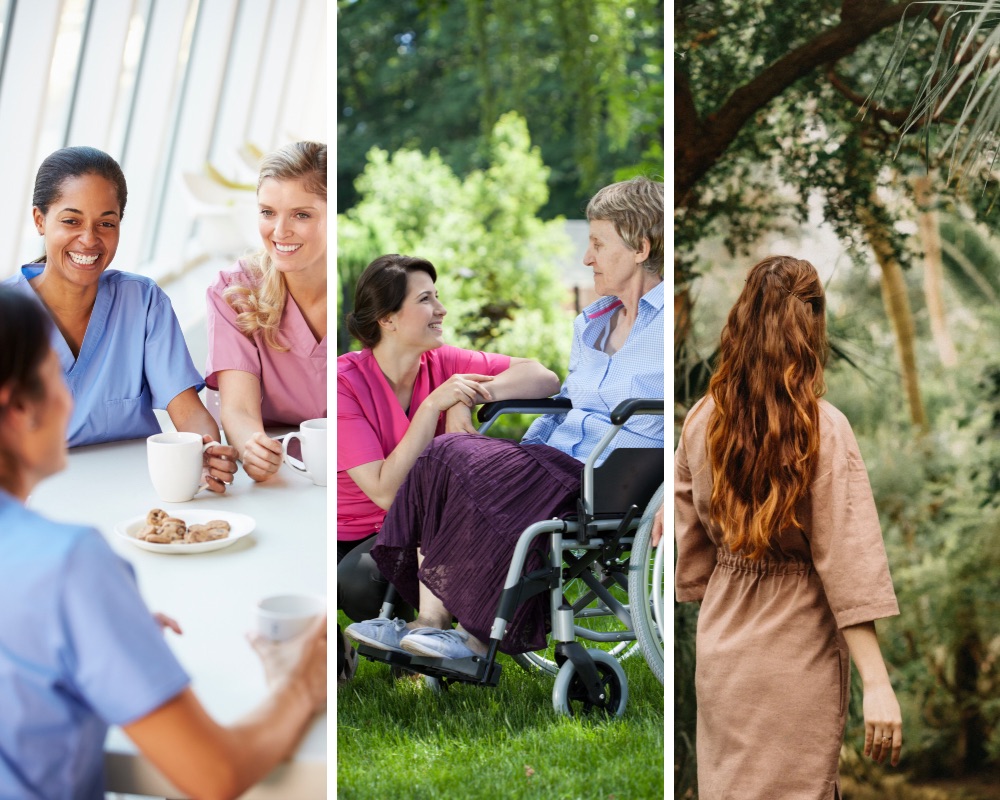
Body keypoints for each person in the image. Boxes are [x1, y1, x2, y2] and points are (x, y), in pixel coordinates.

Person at [0, 287, 326, 800]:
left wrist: (81, 628)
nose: (70, 397)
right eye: (53, 378)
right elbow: (213, 775)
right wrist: (303, 685)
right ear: (17, 408)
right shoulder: (67, 566)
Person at [345, 177, 664, 660]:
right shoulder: (592, 321)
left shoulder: (670, 324)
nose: (587, 258)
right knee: (450, 456)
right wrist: (466, 398)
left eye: (598, 244)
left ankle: (461, 632)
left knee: (449, 451)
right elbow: (564, 397)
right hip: (554, 459)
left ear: (640, 248)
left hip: (613, 473)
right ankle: (430, 625)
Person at [674, 255, 902, 799]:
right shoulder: (824, 428)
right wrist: (877, 683)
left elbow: (692, 553)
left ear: (743, 320)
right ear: (811, 324)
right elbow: (848, 562)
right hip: (797, 652)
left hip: (723, 650)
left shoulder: (702, 419)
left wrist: (733, 585)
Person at [336, 253, 562, 671]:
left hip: (420, 530)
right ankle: (345, 643)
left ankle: (419, 633)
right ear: (387, 319)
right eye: (426, 300)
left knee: (365, 576)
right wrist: (435, 405)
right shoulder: (343, 383)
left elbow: (544, 377)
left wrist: (475, 396)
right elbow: (386, 492)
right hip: (347, 531)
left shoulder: (445, 364)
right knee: (357, 580)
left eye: (437, 297)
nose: (441, 310)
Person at [1, 146, 236, 492]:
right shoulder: (8, 314)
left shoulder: (143, 301)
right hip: (38, 493)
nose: (90, 239)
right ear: (40, 220)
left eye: (106, 223)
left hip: (138, 491)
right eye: (71, 221)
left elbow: (187, 410)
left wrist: (205, 449)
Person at [205, 141, 327, 483]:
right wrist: (251, 447)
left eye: (301, 215)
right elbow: (239, 409)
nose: (280, 231)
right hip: (284, 473)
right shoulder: (235, 290)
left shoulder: (362, 289)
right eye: (267, 212)